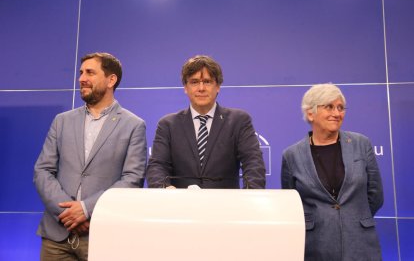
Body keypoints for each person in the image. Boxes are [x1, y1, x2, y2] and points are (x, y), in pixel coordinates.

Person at [34, 52, 147, 260]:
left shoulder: (133, 125)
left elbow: (132, 180)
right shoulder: (62, 121)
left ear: (111, 80)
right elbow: (42, 170)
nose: (81, 78)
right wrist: (67, 214)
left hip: (102, 234)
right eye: (81, 72)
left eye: (90, 72)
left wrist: (86, 209)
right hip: (56, 237)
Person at [281, 83, 384, 260]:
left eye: (340, 107)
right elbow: (294, 205)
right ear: (310, 113)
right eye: (329, 107)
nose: (337, 113)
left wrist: (354, 218)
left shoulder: (361, 144)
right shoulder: (292, 155)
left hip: (361, 245)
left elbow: (375, 195)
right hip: (316, 247)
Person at [147, 55, 265, 189]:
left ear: (218, 86)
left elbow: (253, 163)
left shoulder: (239, 121)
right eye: (194, 82)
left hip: (227, 207)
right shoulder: (167, 125)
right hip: (180, 206)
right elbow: (157, 166)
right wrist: (165, 189)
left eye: (207, 82)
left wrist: (251, 195)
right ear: (185, 87)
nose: (201, 88)